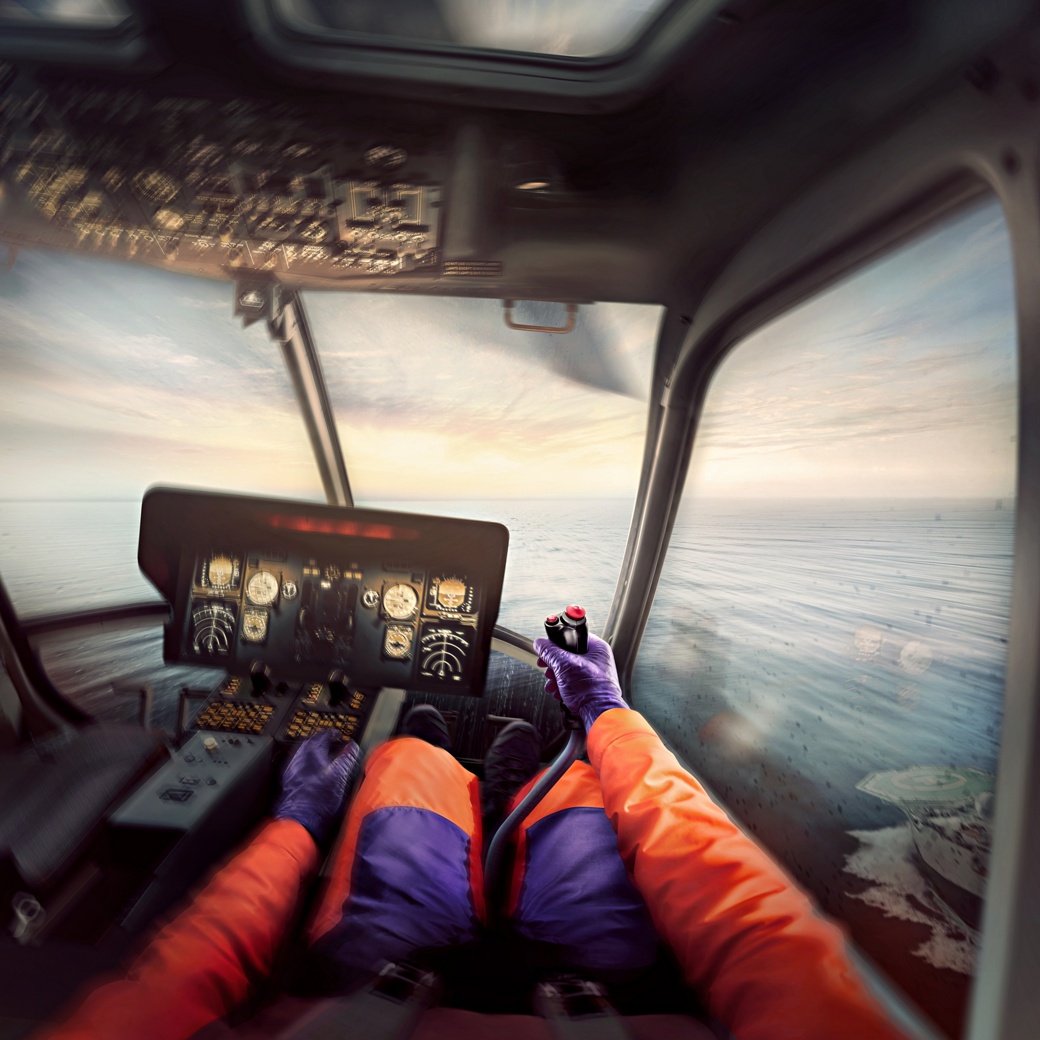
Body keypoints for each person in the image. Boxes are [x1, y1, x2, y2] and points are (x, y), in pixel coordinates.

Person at [37, 636, 911, 1040]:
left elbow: (184, 969)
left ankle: (436, 758)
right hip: (605, 990)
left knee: (402, 786)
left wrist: (298, 819)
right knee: (583, 812)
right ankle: (507, 782)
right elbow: (734, 902)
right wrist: (604, 715)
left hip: (367, 988)